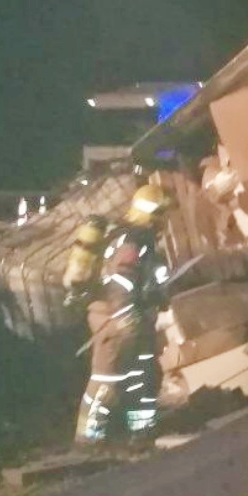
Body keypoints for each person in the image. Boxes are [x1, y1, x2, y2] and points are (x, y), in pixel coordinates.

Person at [74, 183, 173, 444]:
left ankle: (141, 434)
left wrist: (157, 299)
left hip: (135, 320)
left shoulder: (141, 241)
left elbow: (148, 281)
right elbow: (121, 282)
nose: (166, 221)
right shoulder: (131, 243)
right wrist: (126, 317)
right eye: (163, 213)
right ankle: (88, 440)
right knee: (108, 381)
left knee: (145, 377)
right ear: (155, 214)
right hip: (117, 321)